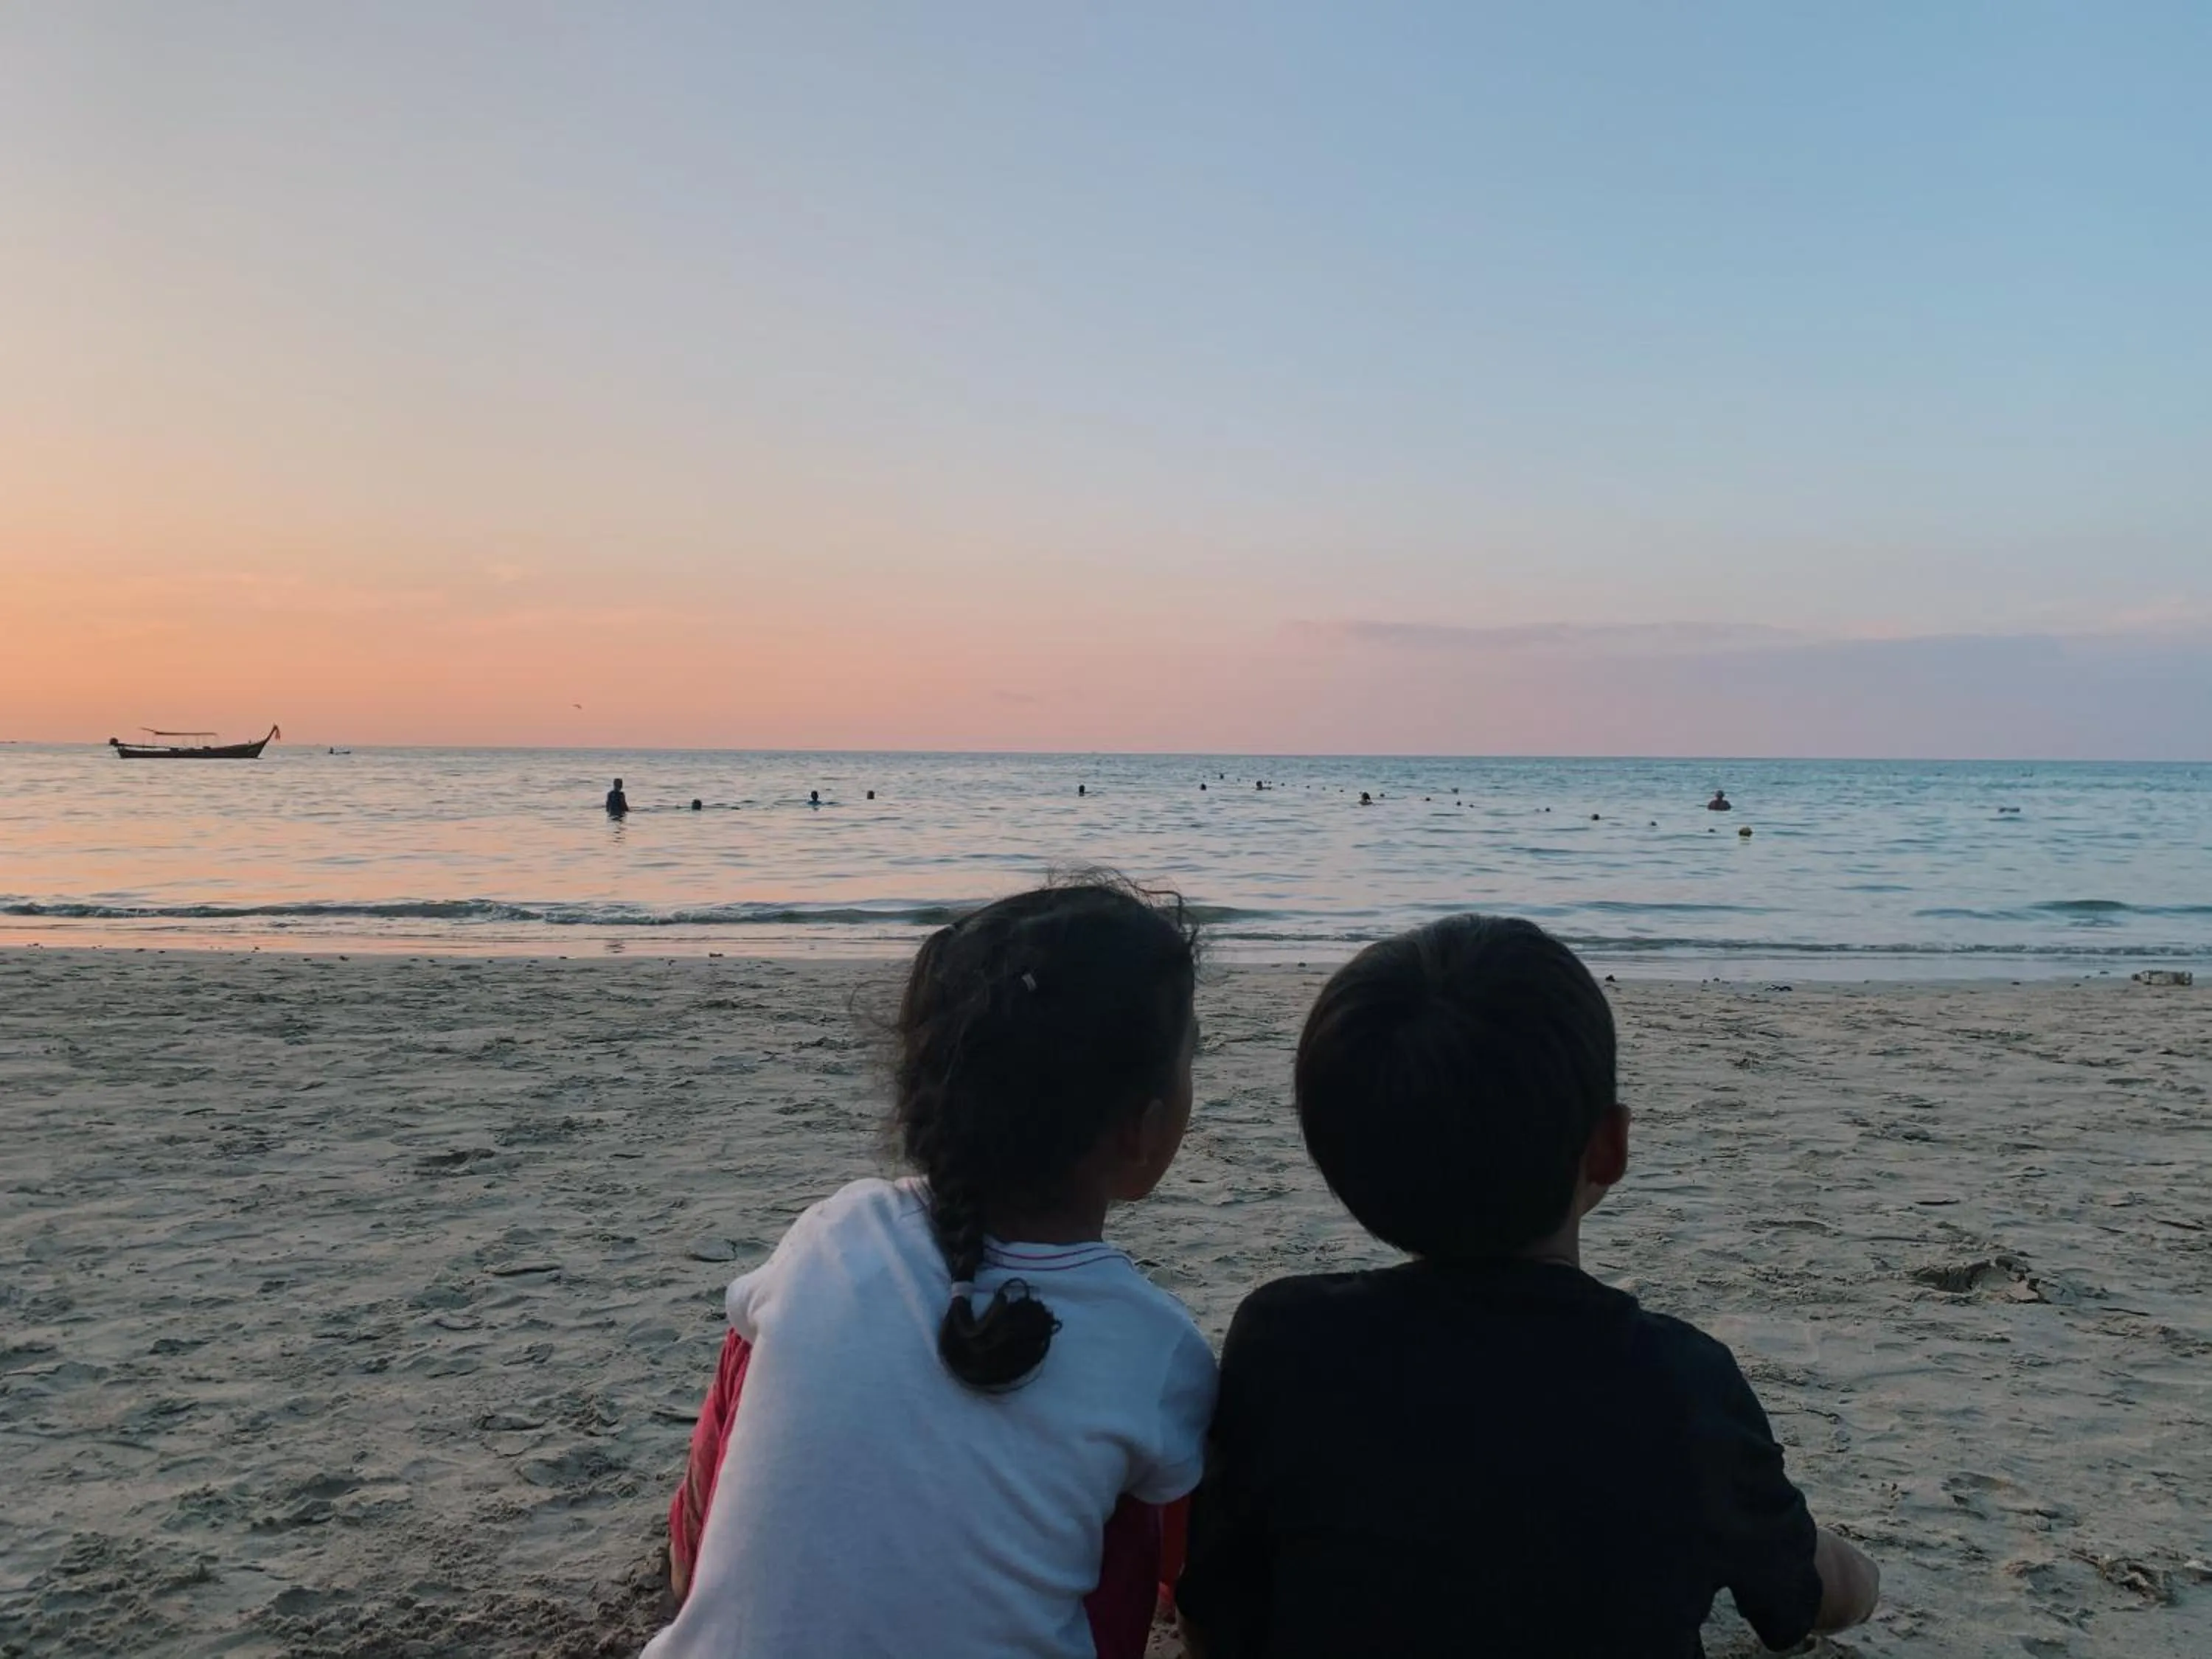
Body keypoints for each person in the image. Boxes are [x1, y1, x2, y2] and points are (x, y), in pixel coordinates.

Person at [1177, 916, 1878, 1659]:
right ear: (1610, 1147)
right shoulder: (1681, 1383)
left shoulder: (1284, 1344)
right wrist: (1862, 1578)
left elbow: (1217, 1616)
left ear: (1337, 1165)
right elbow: (1800, 1595)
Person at [646, 880, 1217, 1659]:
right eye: (1191, 1058)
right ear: (1142, 1130)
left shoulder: (836, 1228)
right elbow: (1185, 1575)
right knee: (1137, 1493)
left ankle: (694, 1586)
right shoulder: (1156, 1345)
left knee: (757, 1339)